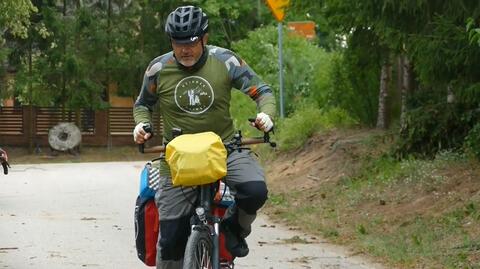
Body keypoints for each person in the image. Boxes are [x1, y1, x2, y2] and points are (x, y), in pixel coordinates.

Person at [132, 5, 276, 269]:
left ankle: (233, 231)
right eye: (178, 43)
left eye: (191, 43)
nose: (185, 50)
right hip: (176, 156)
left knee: (254, 190)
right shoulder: (158, 68)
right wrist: (141, 125)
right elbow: (143, 104)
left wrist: (266, 115)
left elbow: (262, 90)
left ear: (205, 39)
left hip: (225, 148)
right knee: (170, 240)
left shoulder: (225, 61)